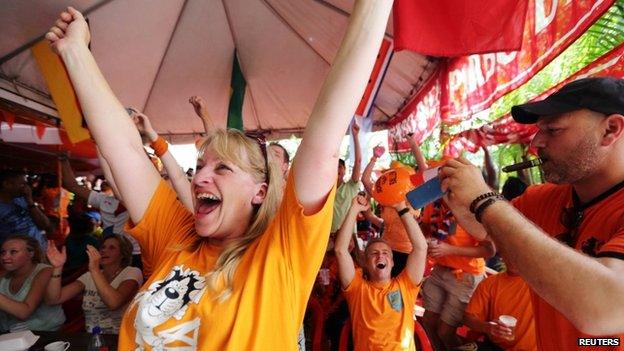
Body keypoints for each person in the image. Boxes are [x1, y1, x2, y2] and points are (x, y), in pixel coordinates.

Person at [45, 2, 393, 349]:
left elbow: (325, 135)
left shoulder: (281, 253)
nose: (198, 180)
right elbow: (124, 149)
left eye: (222, 168)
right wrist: (75, 51)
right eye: (199, 168)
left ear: (260, 191)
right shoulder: (176, 238)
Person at [438, 77, 624, 350]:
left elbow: (605, 311)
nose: (536, 142)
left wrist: (484, 200)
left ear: (610, 130)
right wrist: (461, 201)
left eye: (553, 129)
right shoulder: (544, 198)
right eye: (539, 130)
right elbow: (490, 230)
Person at [335, 194, 427, 350]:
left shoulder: (406, 285)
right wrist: (354, 209)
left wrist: (400, 207)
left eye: (385, 253)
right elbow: (340, 250)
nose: (380, 256)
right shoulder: (357, 288)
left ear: (391, 263)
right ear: (365, 263)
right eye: (374, 253)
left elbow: (421, 247)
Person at [45, 235, 143, 334]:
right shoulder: (89, 276)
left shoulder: (132, 272)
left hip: (120, 339)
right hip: (93, 339)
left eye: (112, 248)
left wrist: (95, 270)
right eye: (103, 247)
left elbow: (114, 303)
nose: (104, 251)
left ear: (123, 254)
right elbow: (53, 299)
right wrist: (57, 268)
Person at [59, 157, 143, 269]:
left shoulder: (141, 203)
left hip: (134, 255)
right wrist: (63, 159)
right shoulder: (104, 200)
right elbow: (71, 185)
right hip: (109, 253)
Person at [462, 260, 537, 351]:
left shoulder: (541, 287)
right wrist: (487, 327)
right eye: (509, 252)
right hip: (494, 346)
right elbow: (468, 318)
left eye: (518, 254)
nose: (513, 258)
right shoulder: (490, 283)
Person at [0, 235, 65, 332]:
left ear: (30, 254)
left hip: (44, 334)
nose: (5, 257)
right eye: (2, 252)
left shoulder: (45, 271)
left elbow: (24, 312)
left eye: (13, 252)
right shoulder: (3, 275)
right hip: (10, 336)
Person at [329, 121, 363, 248]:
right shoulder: (323, 190)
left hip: (348, 236)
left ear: (344, 170)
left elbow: (358, 162)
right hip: (327, 235)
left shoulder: (351, 186)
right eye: (333, 166)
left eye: (340, 167)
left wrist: (355, 136)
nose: (336, 169)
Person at [0, 170, 50, 249]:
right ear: (7, 184)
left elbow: (44, 224)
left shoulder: (22, 200)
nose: (26, 188)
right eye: (22, 184)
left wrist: (30, 201)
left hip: (39, 251)